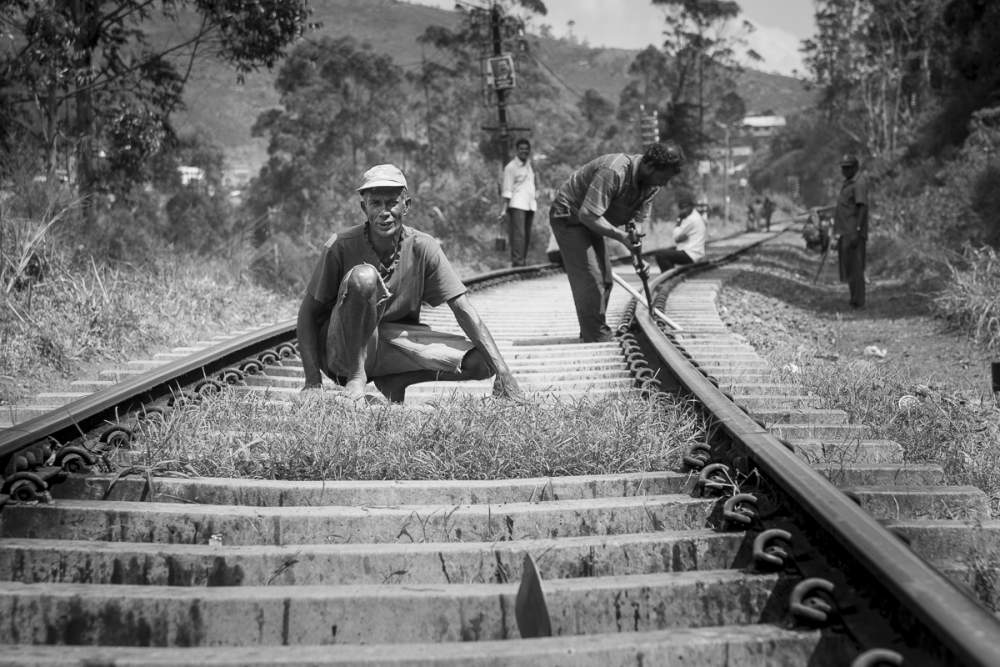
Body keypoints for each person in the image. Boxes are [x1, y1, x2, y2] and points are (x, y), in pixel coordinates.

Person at [297, 164, 524, 404]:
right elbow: (307, 314)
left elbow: (463, 308)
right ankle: (356, 378)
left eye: (392, 203)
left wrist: (503, 371)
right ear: (364, 208)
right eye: (375, 204)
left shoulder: (423, 247)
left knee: (482, 362)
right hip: (342, 350)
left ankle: (398, 380)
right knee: (364, 278)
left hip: (391, 342)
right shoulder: (340, 245)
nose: (384, 212)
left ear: (406, 205)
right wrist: (312, 381)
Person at [549, 141, 685, 342]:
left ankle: (594, 331)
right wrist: (621, 237)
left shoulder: (650, 185)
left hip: (591, 218)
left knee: (605, 280)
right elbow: (588, 215)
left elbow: (636, 224)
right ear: (649, 166)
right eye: (663, 177)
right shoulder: (614, 171)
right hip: (569, 215)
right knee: (591, 277)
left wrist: (638, 258)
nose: (664, 184)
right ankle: (595, 335)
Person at [833, 153, 870, 308]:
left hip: (853, 231)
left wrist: (858, 228)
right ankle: (853, 298)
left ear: (855, 167)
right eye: (843, 168)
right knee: (849, 266)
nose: (845, 171)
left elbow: (862, 207)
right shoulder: (849, 182)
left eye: (848, 168)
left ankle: (858, 301)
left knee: (856, 267)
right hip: (846, 231)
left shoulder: (858, 183)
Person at [497, 138, 537, 267]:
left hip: (529, 204)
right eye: (521, 149)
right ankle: (518, 263)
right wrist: (504, 209)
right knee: (519, 235)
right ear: (517, 150)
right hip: (517, 204)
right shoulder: (511, 167)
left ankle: (522, 262)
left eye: (526, 149)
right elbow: (507, 189)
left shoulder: (529, 165)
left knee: (526, 235)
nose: (524, 151)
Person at [653, 189, 706, 273]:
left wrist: (678, 221)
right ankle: (671, 276)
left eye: (684, 208)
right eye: (681, 208)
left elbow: (676, 237)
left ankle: (670, 277)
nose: (682, 211)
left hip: (691, 255)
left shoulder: (691, 219)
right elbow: (678, 239)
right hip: (694, 253)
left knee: (660, 255)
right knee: (666, 253)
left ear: (691, 207)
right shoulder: (694, 216)